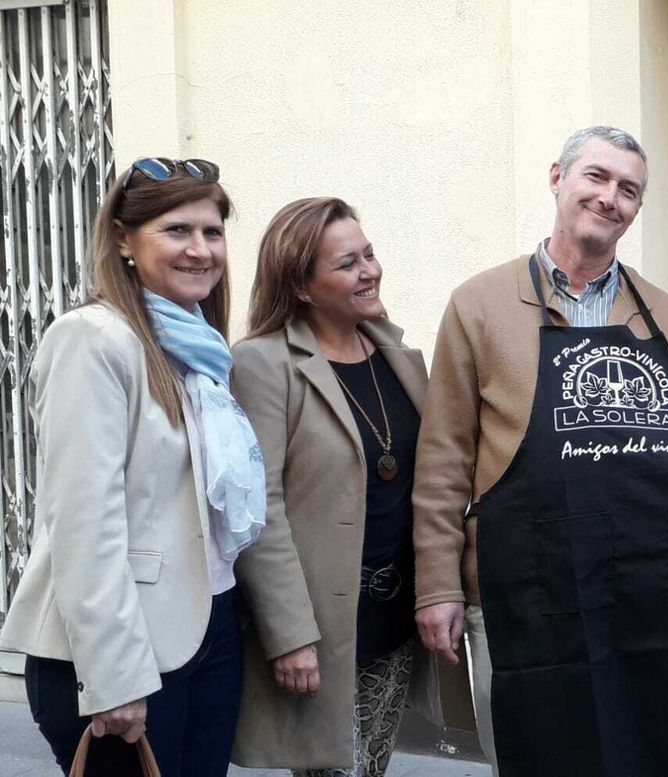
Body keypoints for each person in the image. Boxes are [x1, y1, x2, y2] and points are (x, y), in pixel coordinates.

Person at [412, 125, 668, 775]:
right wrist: (437, 586)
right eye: (596, 176)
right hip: (522, 586)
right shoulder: (478, 305)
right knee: (535, 751)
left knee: (643, 751)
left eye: (628, 189)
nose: (609, 197)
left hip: (646, 591)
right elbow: (444, 457)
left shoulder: (667, 318)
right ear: (558, 178)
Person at [0, 158, 260, 775]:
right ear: (123, 239)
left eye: (213, 232)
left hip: (206, 626)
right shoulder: (93, 340)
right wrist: (114, 678)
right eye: (177, 231)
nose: (200, 250)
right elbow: (84, 524)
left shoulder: (198, 347)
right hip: (123, 654)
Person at [229, 197, 474, 774]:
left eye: (369, 254)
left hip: (390, 622)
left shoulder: (401, 356)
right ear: (303, 286)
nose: (369, 270)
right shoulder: (263, 364)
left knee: (371, 766)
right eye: (347, 263)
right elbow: (257, 508)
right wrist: (288, 635)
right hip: (321, 630)